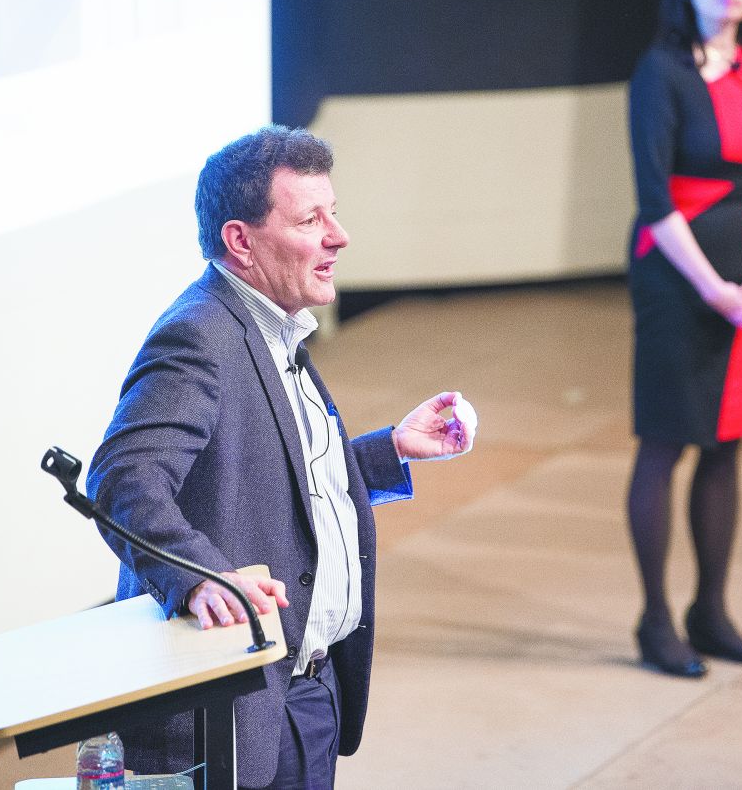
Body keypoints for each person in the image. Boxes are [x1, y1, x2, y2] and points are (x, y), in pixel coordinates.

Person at [86, 125, 477, 788]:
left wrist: (387, 454)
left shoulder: (272, 325)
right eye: (311, 219)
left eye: (335, 213)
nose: (338, 235)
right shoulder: (200, 335)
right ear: (241, 240)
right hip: (237, 708)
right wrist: (205, 577)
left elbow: (268, 473)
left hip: (302, 695)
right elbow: (123, 480)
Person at [625, 0, 742, 679]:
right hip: (677, 274)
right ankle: (656, 621)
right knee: (666, 443)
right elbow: (655, 199)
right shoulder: (661, 71)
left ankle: (709, 611)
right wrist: (716, 288)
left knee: (727, 445)